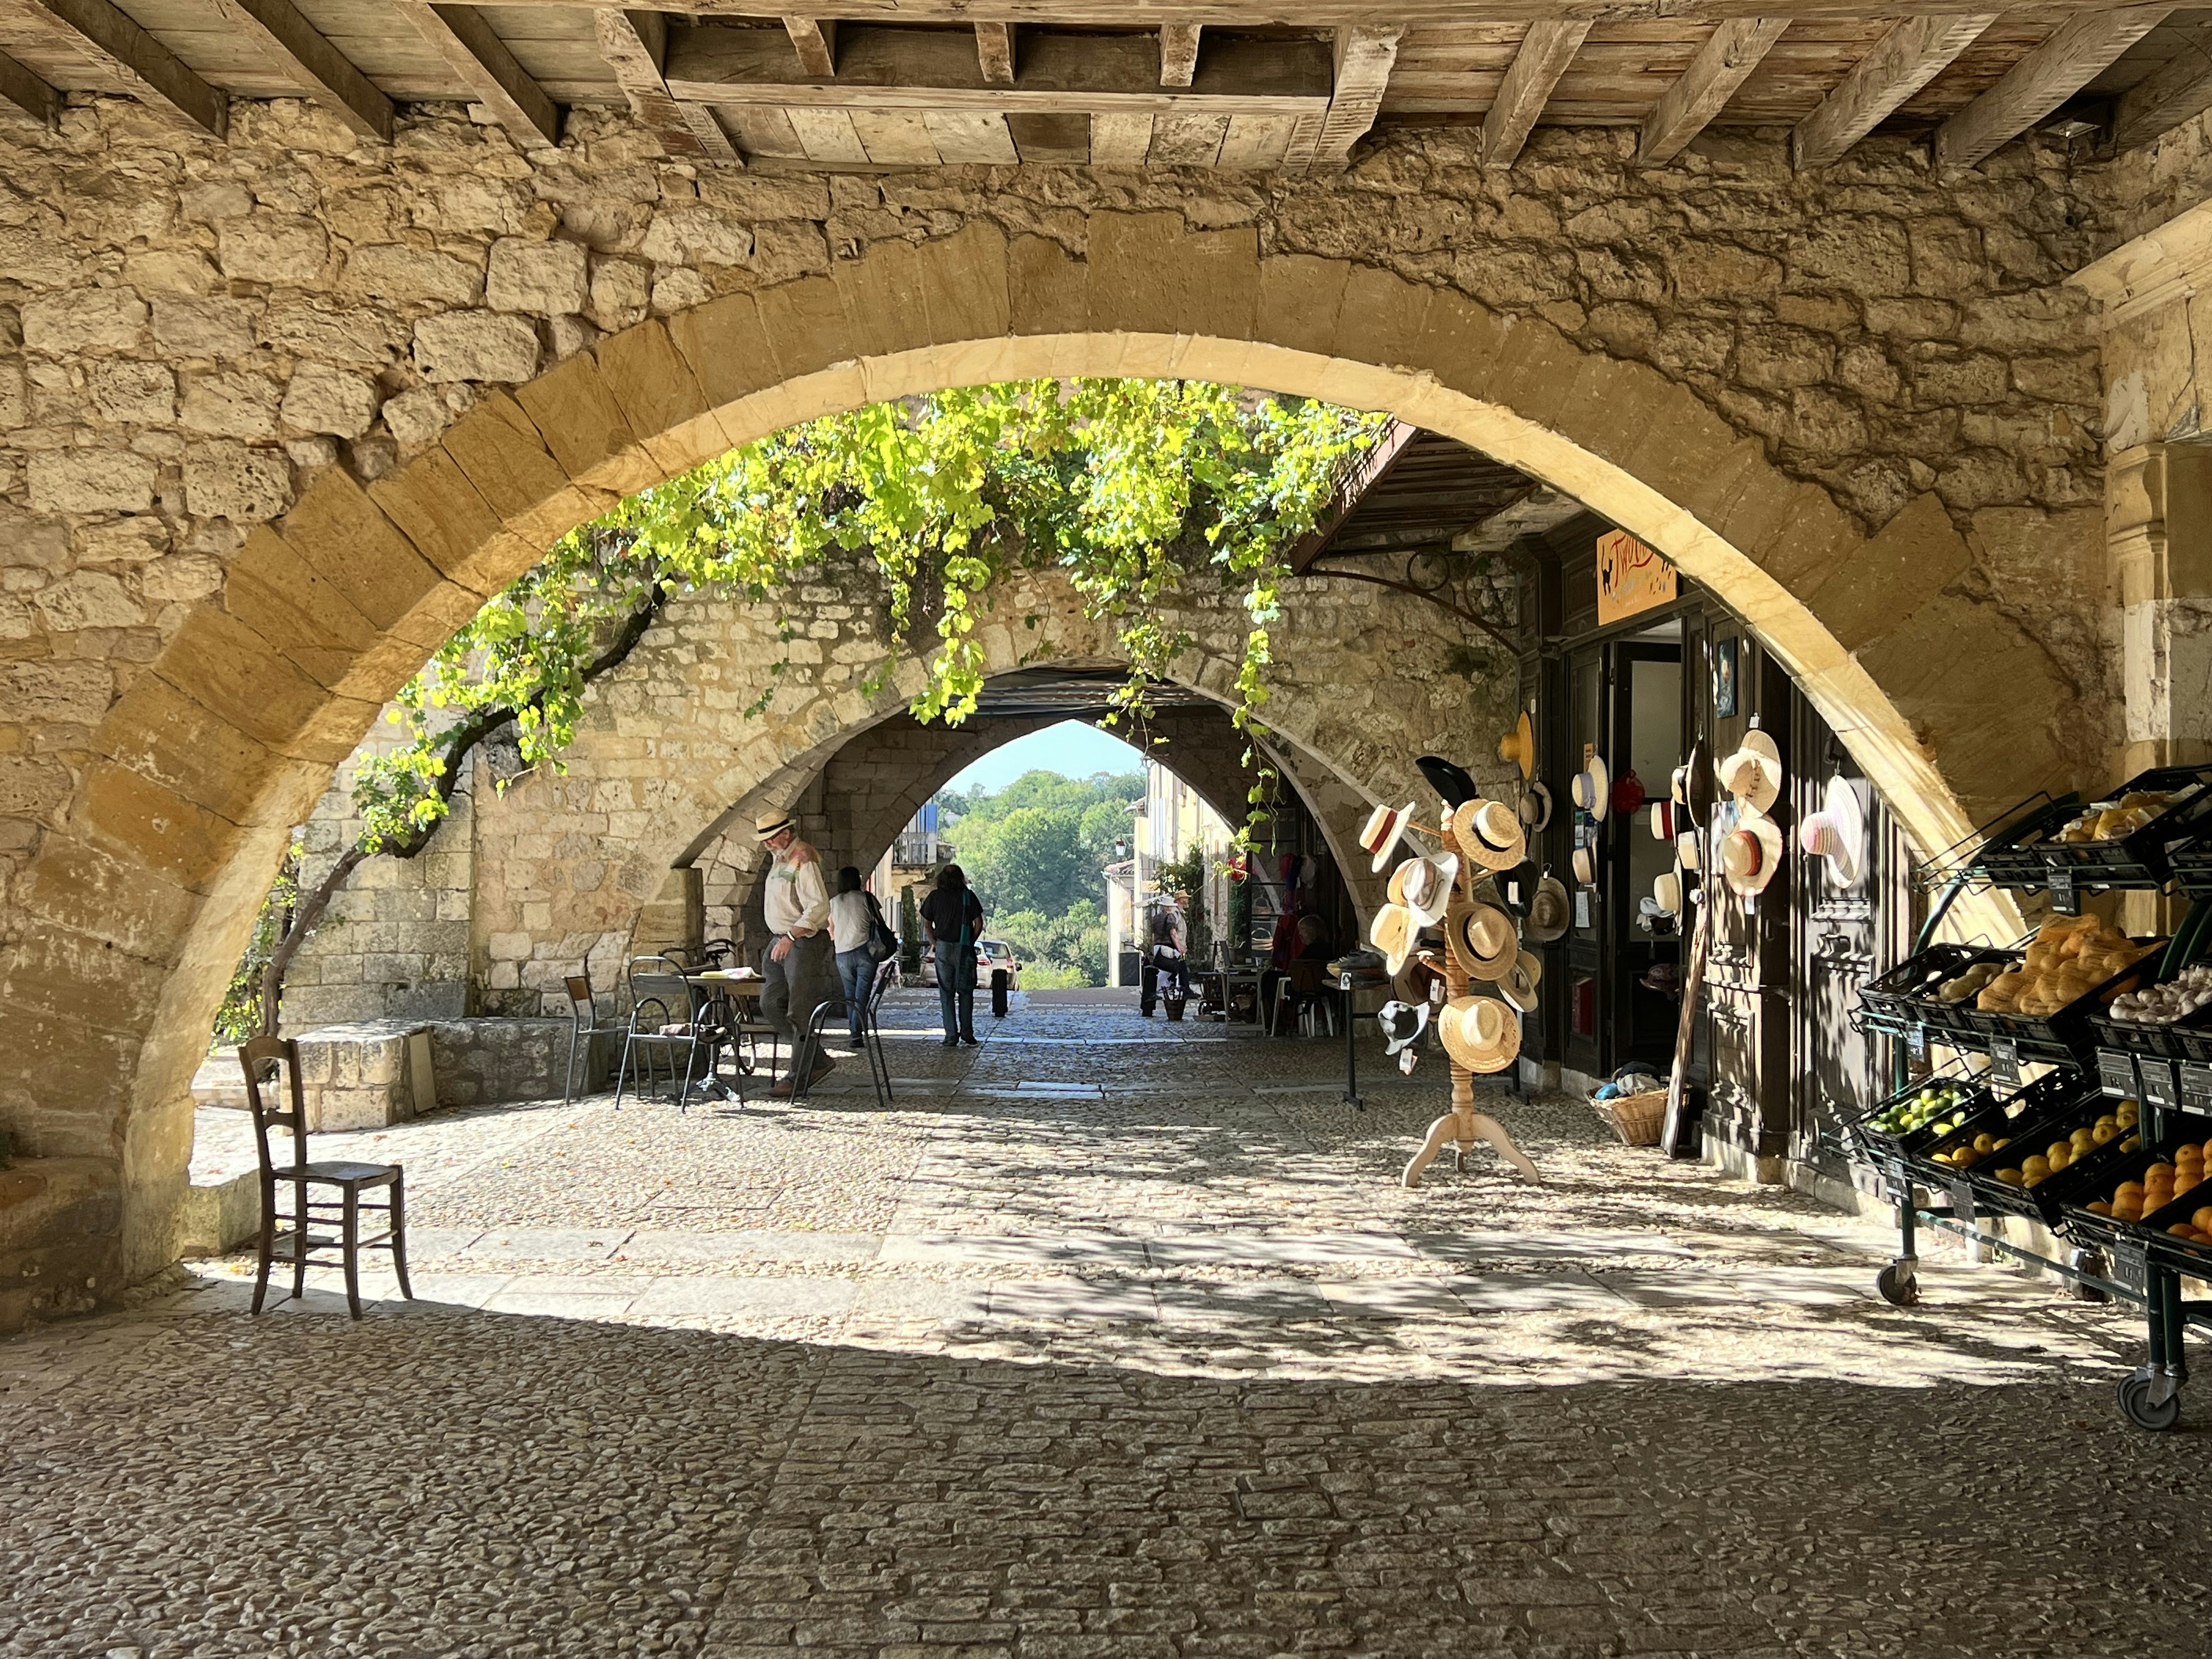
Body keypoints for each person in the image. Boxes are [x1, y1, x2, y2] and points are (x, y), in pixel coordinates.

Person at [755, 811, 833, 1096]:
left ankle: (798, 1076)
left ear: (786, 834)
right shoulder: (780, 859)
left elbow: (818, 906)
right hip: (780, 939)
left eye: (770, 838)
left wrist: (791, 936)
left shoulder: (803, 858)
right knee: (769, 1002)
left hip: (800, 941)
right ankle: (818, 1059)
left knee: (799, 1010)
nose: (767, 844)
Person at [920, 864, 985, 1047]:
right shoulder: (968, 896)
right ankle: (967, 1033)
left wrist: (935, 942)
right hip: (964, 948)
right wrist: (971, 941)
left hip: (943, 948)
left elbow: (927, 924)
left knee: (946, 993)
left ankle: (951, 1036)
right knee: (966, 992)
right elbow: (979, 923)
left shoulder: (934, 897)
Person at [827, 865, 883, 1043]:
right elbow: (880, 922)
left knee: (850, 995)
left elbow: (831, 929)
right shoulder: (867, 898)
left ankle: (855, 1032)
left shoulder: (834, 902)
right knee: (862, 995)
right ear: (857, 880)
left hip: (842, 953)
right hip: (865, 951)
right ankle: (856, 1033)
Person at [1140, 898, 1190, 1016]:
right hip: (1166, 948)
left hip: (1157, 948)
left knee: (1163, 972)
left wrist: (1152, 949)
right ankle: (1185, 989)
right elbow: (1173, 934)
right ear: (1169, 907)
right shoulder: (1170, 917)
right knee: (1180, 966)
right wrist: (1180, 948)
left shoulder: (1156, 918)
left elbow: (1151, 935)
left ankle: (1159, 991)